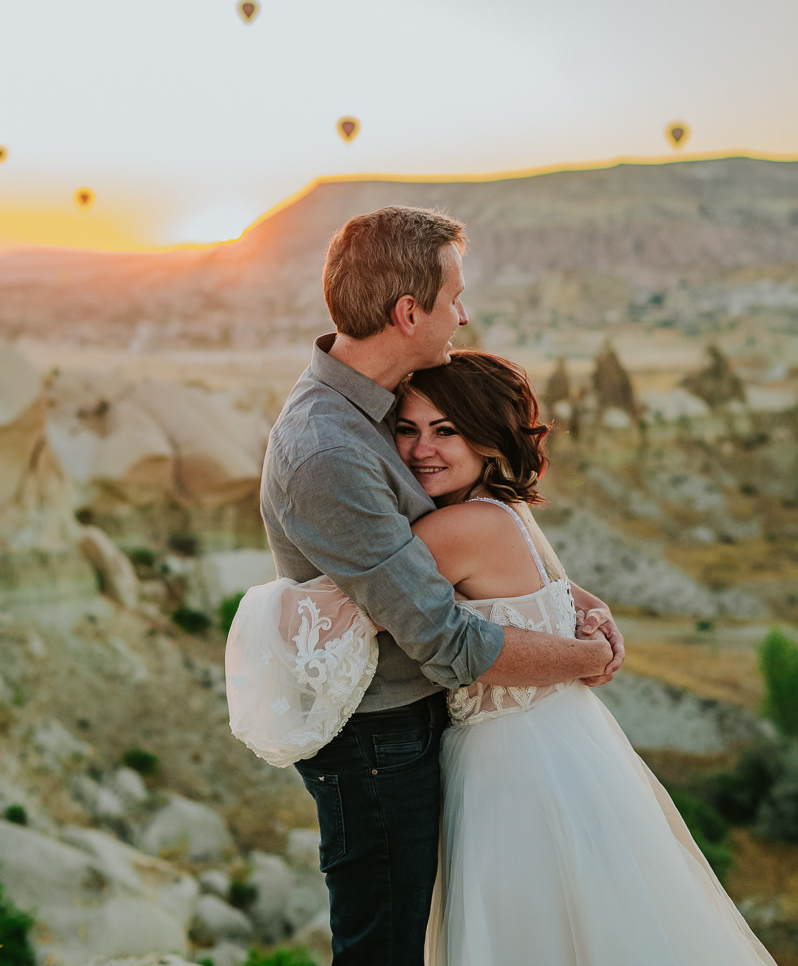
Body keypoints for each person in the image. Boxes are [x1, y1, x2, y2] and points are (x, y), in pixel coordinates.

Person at [258, 206, 624, 966]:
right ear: (408, 311)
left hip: (426, 725)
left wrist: (577, 602)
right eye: (456, 295)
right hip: (376, 742)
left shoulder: (394, 401)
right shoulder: (329, 449)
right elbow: (449, 642)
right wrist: (583, 660)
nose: (466, 313)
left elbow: (475, 527)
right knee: (385, 948)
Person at [391, 349, 776, 966]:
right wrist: (591, 631)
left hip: (509, 768)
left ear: (488, 440)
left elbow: (364, 593)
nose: (419, 450)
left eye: (445, 431)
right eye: (406, 429)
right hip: (566, 746)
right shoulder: (504, 509)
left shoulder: (459, 527)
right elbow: (555, 590)